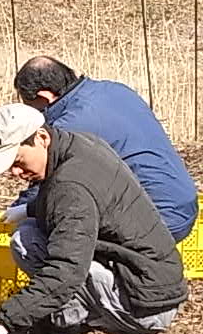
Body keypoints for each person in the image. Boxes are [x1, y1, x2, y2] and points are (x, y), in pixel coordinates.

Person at [0, 104, 187, 334]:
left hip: (144, 307)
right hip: (153, 285)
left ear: (42, 138)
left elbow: (66, 270)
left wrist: (4, 323)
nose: (15, 174)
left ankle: (79, 325)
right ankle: (72, 317)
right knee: (31, 234)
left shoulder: (70, 187)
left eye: (18, 162)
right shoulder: (79, 145)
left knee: (28, 245)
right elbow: (78, 204)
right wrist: (30, 209)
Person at [13, 55, 197, 242]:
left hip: (153, 220)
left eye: (32, 107)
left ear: (45, 97)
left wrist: (20, 209)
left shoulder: (69, 126)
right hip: (184, 205)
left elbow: (48, 186)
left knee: (29, 236)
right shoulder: (116, 90)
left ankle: (102, 272)